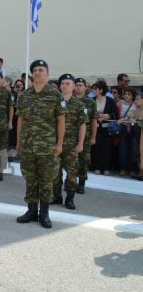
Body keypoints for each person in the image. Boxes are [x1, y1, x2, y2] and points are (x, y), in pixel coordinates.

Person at [16, 60, 66, 229]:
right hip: (28, 145)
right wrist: (18, 142)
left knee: (46, 180)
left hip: (47, 146)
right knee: (30, 179)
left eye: (41, 70)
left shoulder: (55, 95)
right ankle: (31, 211)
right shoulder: (25, 95)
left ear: (47, 73)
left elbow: (61, 121)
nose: (37, 72)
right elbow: (21, 120)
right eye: (35, 70)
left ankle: (44, 214)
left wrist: (59, 144)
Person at [53, 74, 86, 210]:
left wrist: (80, 143)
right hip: (55, 143)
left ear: (73, 86)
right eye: (63, 83)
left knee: (72, 173)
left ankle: (70, 199)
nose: (65, 86)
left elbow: (82, 125)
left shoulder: (79, 104)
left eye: (68, 83)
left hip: (71, 144)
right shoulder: (54, 102)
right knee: (55, 172)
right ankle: (56, 196)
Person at [73, 78, 97, 194]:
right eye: (76, 85)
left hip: (85, 136)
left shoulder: (90, 102)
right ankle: (71, 183)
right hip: (70, 136)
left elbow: (93, 120)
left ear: (85, 87)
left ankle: (81, 183)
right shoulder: (68, 100)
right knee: (70, 161)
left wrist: (93, 136)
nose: (78, 87)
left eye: (80, 85)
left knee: (83, 161)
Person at [91, 81, 118, 175]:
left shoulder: (110, 100)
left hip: (107, 129)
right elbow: (89, 114)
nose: (93, 91)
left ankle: (106, 168)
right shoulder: (92, 100)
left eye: (95, 89)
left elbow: (115, 114)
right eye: (93, 88)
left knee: (107, 149)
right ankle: (97, 167)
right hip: (95, 127)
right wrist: (99, 117)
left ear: (101, 90)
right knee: (95, 148)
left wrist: (108, 116)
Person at [117, 88, 138, 176]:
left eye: (129, 94)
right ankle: (123, 168)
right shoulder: (119, 103)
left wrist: (126, 118)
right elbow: (116, 116)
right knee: (123, 149)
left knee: (133, 149)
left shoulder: (136, 104)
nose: (126, 96)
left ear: (133, 96)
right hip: (123, 129)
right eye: (125, 94)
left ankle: (132, 169)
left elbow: (136, 115)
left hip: (134, 128)